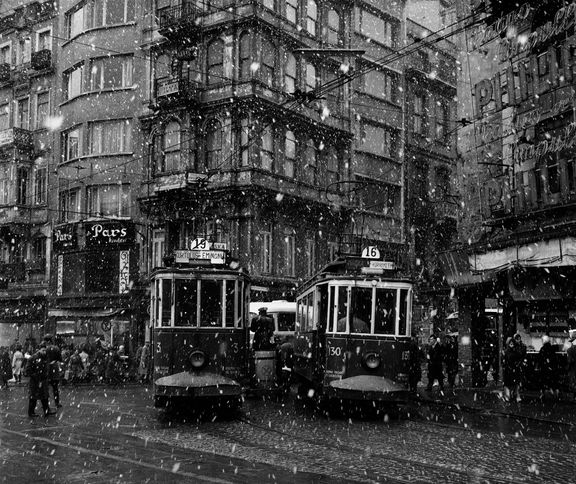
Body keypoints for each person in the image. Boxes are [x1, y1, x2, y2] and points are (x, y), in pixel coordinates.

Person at [27, 347, 55, 417]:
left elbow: (47, 368)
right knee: (33, 397)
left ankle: (46, 410)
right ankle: (31, 412)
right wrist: (36, 376)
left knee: (44, 396)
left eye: (45, 350)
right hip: (35, 381)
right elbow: (28, 370)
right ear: (39, 350)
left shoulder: (46, 358)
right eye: (43, 350)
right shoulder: (33, 358)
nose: (44, 352)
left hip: (43, 380)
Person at [44, 334, 63, 408]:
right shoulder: (56, 348)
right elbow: (60, 359)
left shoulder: (44, 349)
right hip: (54, 368)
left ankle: (45, 404)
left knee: (45, 388)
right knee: (55, 388)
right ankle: (57, 403)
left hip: (45, 369)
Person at [503, 336, 522, 403]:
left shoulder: (515, 351)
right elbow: (504, 361)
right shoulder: (506, 352)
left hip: (514, 369)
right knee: (509, 383)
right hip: (509, 370)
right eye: (510, 343)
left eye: (512, 343)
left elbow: (519, 358)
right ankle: (509, 396)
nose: (512, 345)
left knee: (515, 383)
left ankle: (514, 395)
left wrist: (517, 365)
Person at [538, 335, 558, 399]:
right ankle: (553, 391)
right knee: (552, 380)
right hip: (552, 368)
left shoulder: (543, 349)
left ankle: (544, 393)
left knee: (544, 381)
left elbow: (540, 359)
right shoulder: (552, 348)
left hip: (545, 368)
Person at [566, 330, 576, 399]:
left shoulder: (570, 350)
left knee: (573, 383)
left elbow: (569, 361)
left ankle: (574, 397)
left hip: (574, 369)